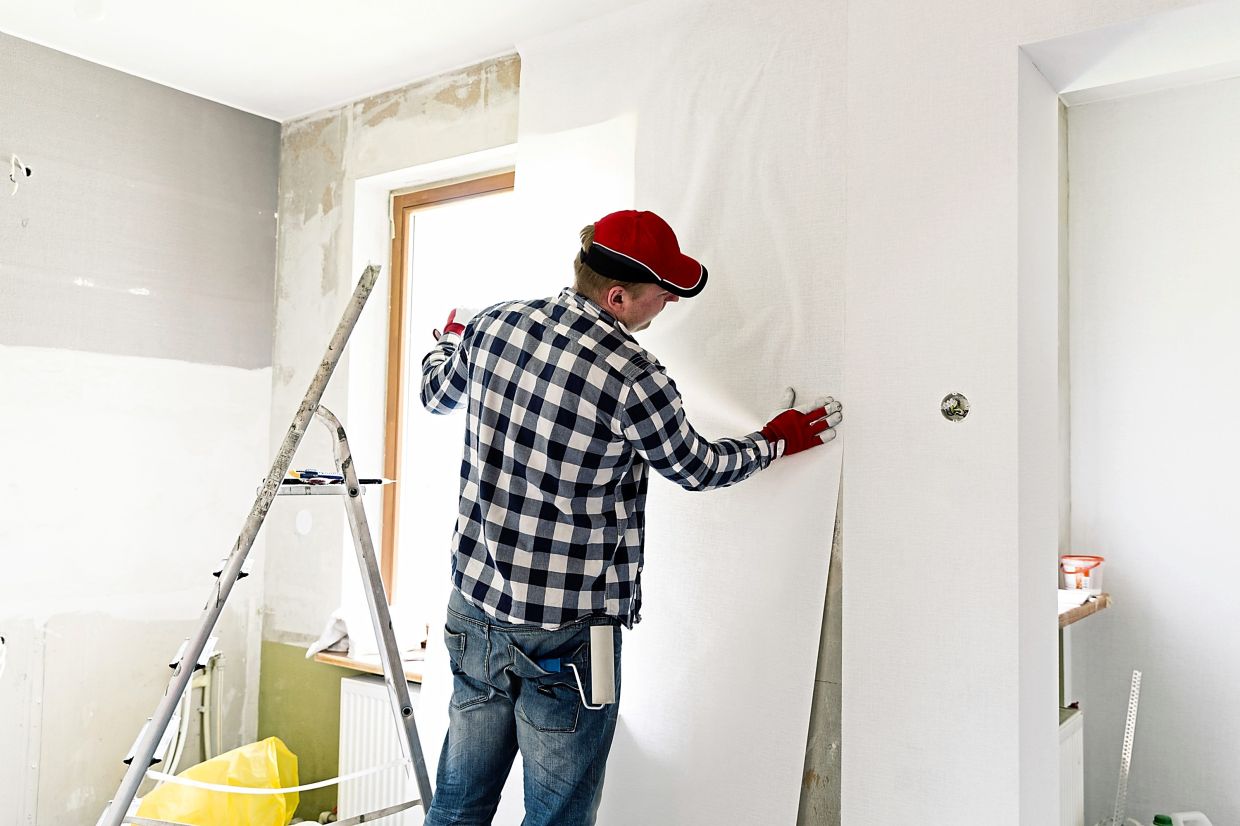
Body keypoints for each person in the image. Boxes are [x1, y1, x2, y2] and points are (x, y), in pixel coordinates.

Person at [418, 209, 842, 826]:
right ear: (618, 296)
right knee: (557, 818)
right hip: (569, 636)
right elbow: (696, 467)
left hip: (474, 612)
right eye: (661, 294)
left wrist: (449, 342)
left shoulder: (493, 325)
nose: (666, 304)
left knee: (458, 805)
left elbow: (436, 393)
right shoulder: (631, 375)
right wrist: (776, 440)